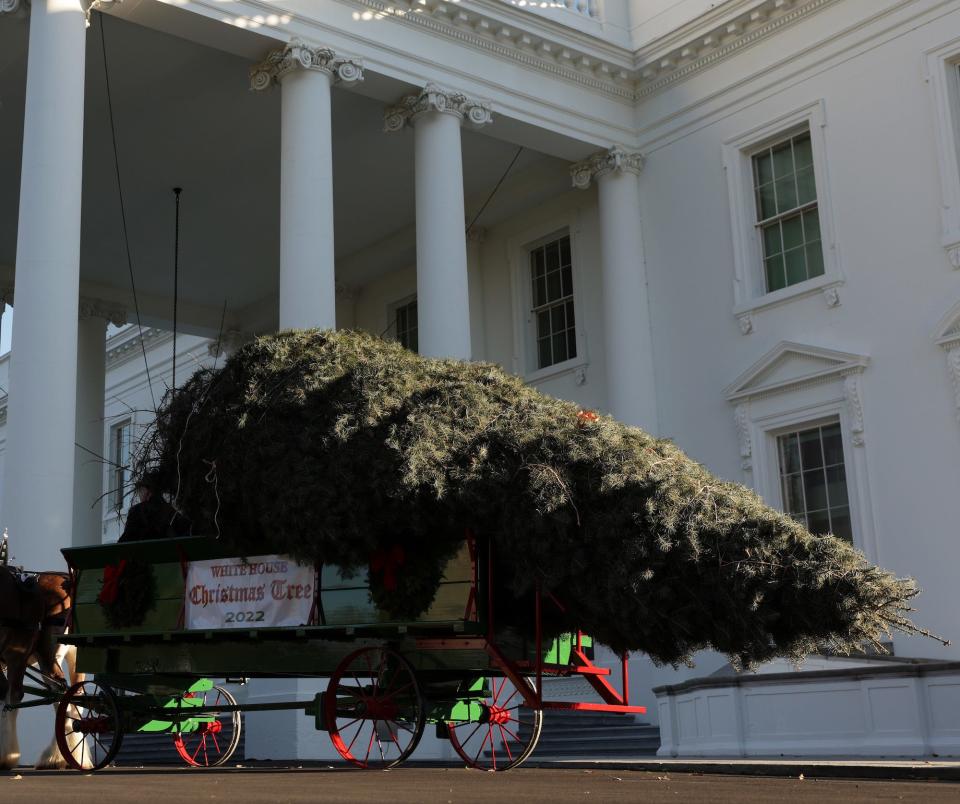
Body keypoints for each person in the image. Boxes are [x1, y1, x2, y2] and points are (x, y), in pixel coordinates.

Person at [118, 472, 192, 543]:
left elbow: (125, 542)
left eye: (140, 490)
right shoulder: (173, 512)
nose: (139, 494)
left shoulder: (137, 511)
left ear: (148, 491)